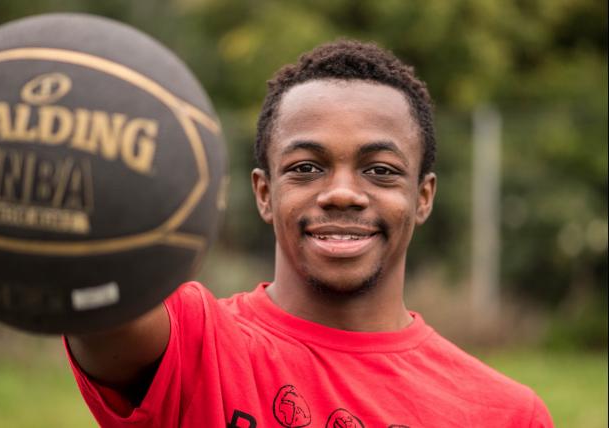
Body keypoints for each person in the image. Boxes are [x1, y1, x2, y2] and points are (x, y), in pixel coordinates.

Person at [65, 40, 554, 427]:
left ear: (423, 197)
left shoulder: (506, 414)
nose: (342, 193)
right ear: (264, 193)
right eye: (306, 167)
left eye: (380, 171)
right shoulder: (196, 343)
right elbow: (99, 311)